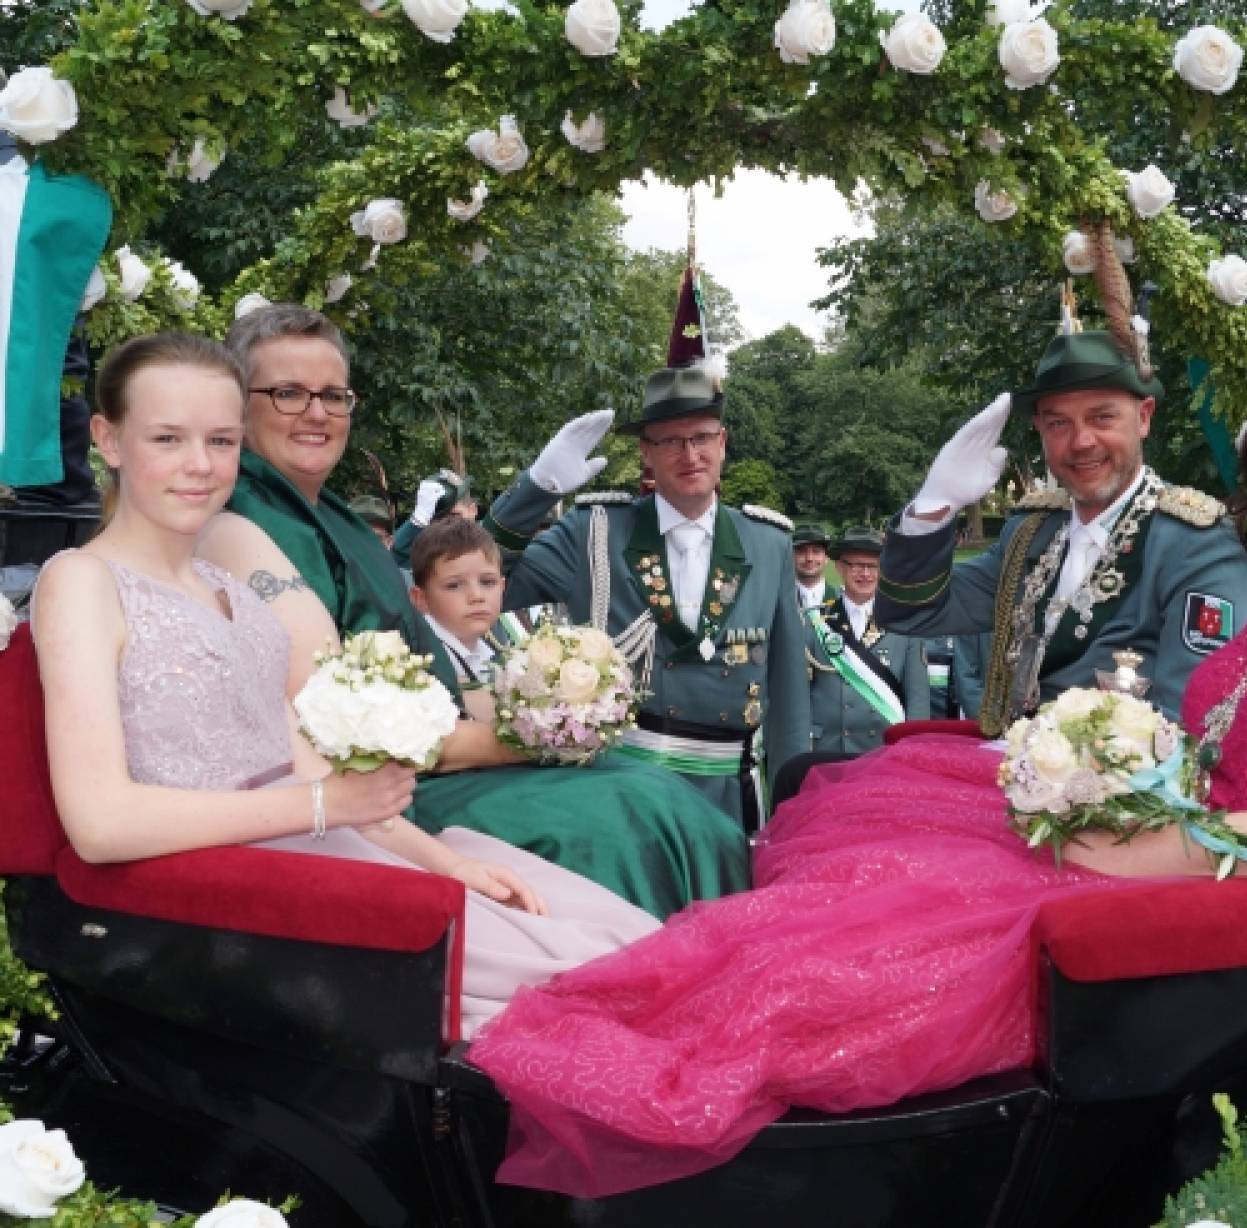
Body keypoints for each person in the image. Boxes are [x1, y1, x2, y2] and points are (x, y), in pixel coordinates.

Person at [466, 373, 1247, 1197]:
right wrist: (938, 518)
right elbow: (938, 615)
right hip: (1148, 835)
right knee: (847, 882)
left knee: (854, 960)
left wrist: (1100, 837)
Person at [29, 333, 661, 1041]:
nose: (200, 466)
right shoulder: (81, 581)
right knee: (592, 984)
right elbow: (99, 824)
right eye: (168, 438)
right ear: (108, 440)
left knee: (606, 932)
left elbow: (303, 767)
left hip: (321, 843)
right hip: (224, 894)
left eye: (221, 440)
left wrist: (446, 864)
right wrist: (329, 803)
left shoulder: (223, 578)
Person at [196, 305, 750, 920]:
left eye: (333, 394)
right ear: (237, 404)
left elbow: (455, 601)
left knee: (664, 799)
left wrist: (557, 720)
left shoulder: (334, 518)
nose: (317, 414)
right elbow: (344, 709)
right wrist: (534, 741)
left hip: (433, 760)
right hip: (375, 789)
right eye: (288, 393)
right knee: (617, 824)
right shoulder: (247, 519)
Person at [875, 281, 1247, 729]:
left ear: (1145, 417)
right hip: (1008, 764)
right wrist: (934, 507)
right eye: (1059, 423)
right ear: (1039, 430)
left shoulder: (1197, 543)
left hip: (1121, 788)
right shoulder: (1031, 533)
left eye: (1102, 417)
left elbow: (1197, 716)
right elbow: (912, 612)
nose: (1081, 442)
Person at [484, 363, 811, 832]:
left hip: (729, 801)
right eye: (670, 441)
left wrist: (793, 812)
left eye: (701, 437)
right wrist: (537, 489)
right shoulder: (593, 532)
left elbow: (789, 695)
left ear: (722, 443)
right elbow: (473, 581)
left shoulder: (768, 543)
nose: (690, 454)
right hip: (618, 794)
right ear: (646, 453)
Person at [805, 525, 930, 753]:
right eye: (856, 565)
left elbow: (918, 699)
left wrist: (913, 750)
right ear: (840, 567)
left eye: (873, 566)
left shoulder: (904, 624)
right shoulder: (815, 621)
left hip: (884, 750)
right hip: (828, 750)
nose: (865, 573)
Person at [409, 517, 506, 690]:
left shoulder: (493, 653)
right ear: (420, 599)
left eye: (488, 582)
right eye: (454, 585)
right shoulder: (418, 667)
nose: (477, 596)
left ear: (502, 586)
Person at [391, 468, 478, 569]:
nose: (446, 524)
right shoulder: (427, 556)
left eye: (454, 516)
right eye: (438, 519)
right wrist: (418, 521)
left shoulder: (492, 544)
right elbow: (389, 560)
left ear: (473, 510)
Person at [792, 523, 832, 609]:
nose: (809, 558)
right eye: (802, 551)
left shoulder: (842, 600)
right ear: (791, 556)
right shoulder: (777, 599)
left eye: (816, 551)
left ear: (827, 557)